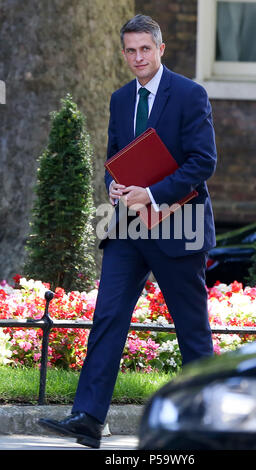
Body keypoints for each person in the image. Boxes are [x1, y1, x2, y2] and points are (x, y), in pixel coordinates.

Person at [39, 14, 217, 449]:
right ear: (124, 54)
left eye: (145, 48)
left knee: (191, 329)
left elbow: (202, 161)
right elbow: (115, 156)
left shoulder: (191, 94)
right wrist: (114, 185)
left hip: (179, 224)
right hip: (127, 229)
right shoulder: (121, 99)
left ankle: (209, 419)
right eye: (130, 50)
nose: (138, 57)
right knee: (108, 317)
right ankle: (88, 418)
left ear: (161, 49)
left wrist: (152, 194)